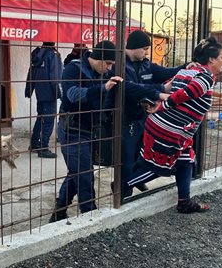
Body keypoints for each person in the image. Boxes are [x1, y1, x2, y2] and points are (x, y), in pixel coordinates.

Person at [126, 37, 222, 213]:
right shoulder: (205, 77)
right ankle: (122, 186)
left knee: (186, 160)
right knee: (158, 166)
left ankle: (184, 202)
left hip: (168, 127)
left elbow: (169, 86)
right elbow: (185, 93)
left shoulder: (188, 71)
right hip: (169, 130)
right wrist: (161, 105)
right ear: (211, 59)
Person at [49, 40, 123, 222]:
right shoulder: (72, 69)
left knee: (77, 171)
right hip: (72, 129)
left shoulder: (104, 72)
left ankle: (59, 211)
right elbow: (72, 95)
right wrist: (103, 88)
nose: (109, 68)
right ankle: (90, 216)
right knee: (84, 175)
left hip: (91, 130)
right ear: (98, 58)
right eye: (108, 63)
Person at [108, 29, 185, 198]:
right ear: (134, 47)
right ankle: (123, 196)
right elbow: (128, 88)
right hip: (124, 119)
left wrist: (186, 67)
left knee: (142, 157)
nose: (146, 52)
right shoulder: (119, 65)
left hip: (143, 119)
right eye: (144, 49)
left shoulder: (145, 64)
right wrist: (157, 91)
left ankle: (131, 182)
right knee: (126, 161)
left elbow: (166, 72)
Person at [25, 42, 63, 158]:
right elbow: (55, 76)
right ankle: (43, 147)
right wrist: (59, 93)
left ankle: (34, 144)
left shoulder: (37, 55)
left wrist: (29, 90)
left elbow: (31, 73)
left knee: (40, 117)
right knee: (49, 120)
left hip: (39, 93)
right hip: (49, 93)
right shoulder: (52, 55)